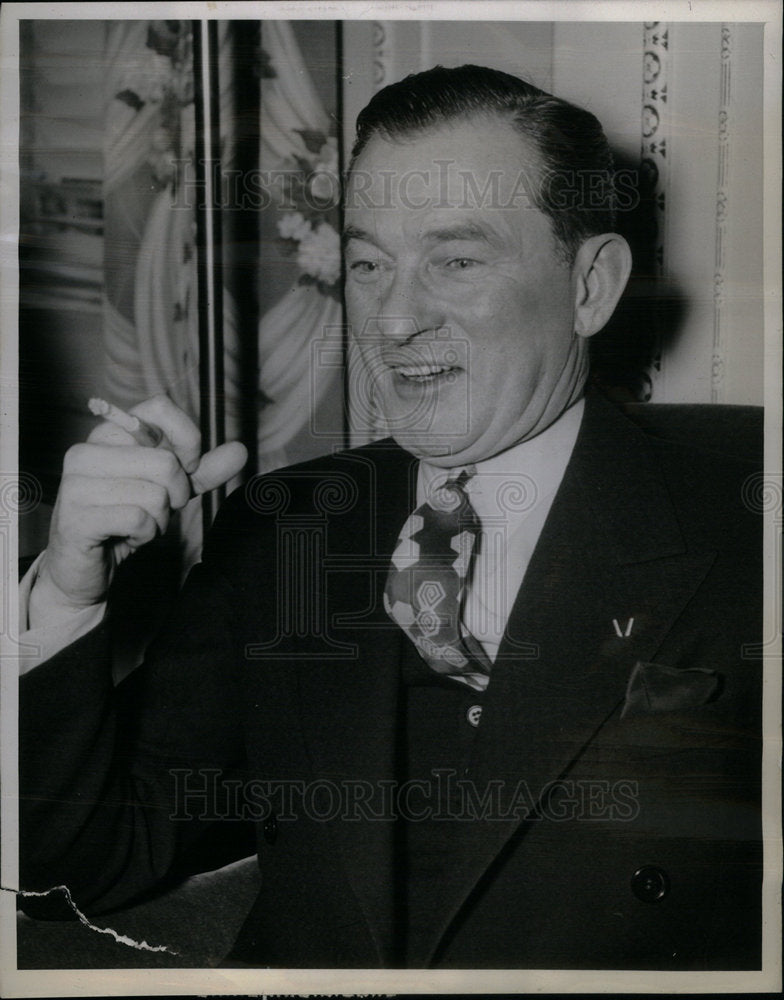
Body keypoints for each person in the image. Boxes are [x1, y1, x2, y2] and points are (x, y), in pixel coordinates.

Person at [18, 65, 762, 970]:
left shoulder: (745, 527)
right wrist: (66, 585)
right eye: (369, 264)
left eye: (456, 260)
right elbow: (76, 868)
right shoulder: (286, 530)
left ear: (591, 287)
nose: (394, 319)